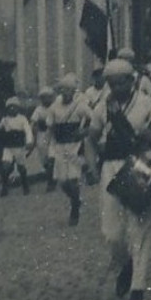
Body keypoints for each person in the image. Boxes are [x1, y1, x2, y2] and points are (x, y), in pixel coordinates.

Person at [89, 57, 151, 300]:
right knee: (112, 233)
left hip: (141, 162)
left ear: (132, 80)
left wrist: (149, 134)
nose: (117, 87)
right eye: (112, 83)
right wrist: (91, 165)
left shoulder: (147, 103)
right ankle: (126, 265)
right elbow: (92, 136)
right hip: (111, 165)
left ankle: (138, 288)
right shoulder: (103, 106)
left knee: (139, 224)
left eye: (122, 82)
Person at [46, 74, 90, 225]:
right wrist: (48, 147)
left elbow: (93, 120)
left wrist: (83, 132)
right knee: (63, 182)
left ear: (73, 91)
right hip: (59, 146)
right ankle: (76, 200)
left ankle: (74, 210)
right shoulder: (54, 108)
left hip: (74, 146)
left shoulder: (80, 105)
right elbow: (50, 128)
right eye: (63, 90)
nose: (65, 93)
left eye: (69, 90)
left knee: (73, 179)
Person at [0, 96, 35, 196]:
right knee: (5, 166)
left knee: (21, 167)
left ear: (18, 108)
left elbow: (28, 131)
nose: (12, 109)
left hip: (19, 147)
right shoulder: (5, 120)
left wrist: (29, 141)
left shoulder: (22, 119)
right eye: (10, 107)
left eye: (14, 107)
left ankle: (25, 185)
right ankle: (4, 186)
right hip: (8, 147)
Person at [29, 86, 58, 191]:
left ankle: (51, 182)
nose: (46, 100)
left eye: (48, 97)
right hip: (42, 135)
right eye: (44, 98)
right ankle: (51, 175)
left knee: (52, 157)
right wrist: (31, 133)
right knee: (44, 159)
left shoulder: (55, 107)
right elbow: (33, 122)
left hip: (53, 135)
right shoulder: (38, 109)